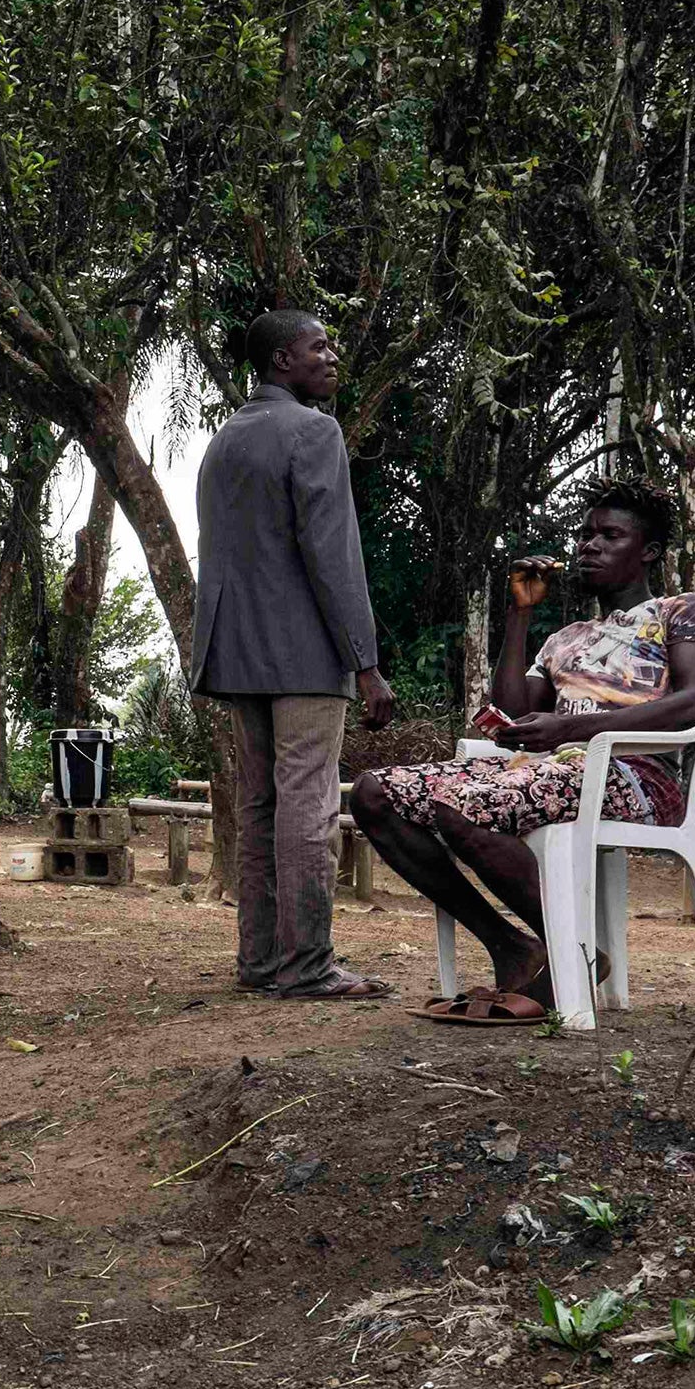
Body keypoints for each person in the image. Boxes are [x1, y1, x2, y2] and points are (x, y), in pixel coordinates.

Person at [353, 479, 695, 1023]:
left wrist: (572, 731)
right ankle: (513, 946)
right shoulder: (568, 636)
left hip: (636, 774)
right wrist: (521, 614)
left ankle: (570, 952)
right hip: (543, 769)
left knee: (462, 805)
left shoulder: (683, 609)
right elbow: (509, 710)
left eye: (609, 536)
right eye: (585, 535)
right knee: (375, 794)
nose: (590, 546)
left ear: (647, 551)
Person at [189, 309, 398, 1001]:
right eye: (319, 347)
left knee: (259, 807)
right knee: (307, 806)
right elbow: (332, 557)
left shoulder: (225, 440)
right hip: (305, 656)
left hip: (234, 655)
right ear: (282, 361)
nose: (332, 356)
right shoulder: (313, 430)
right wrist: (364, 662)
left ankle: (259, 961)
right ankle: (307, 966)